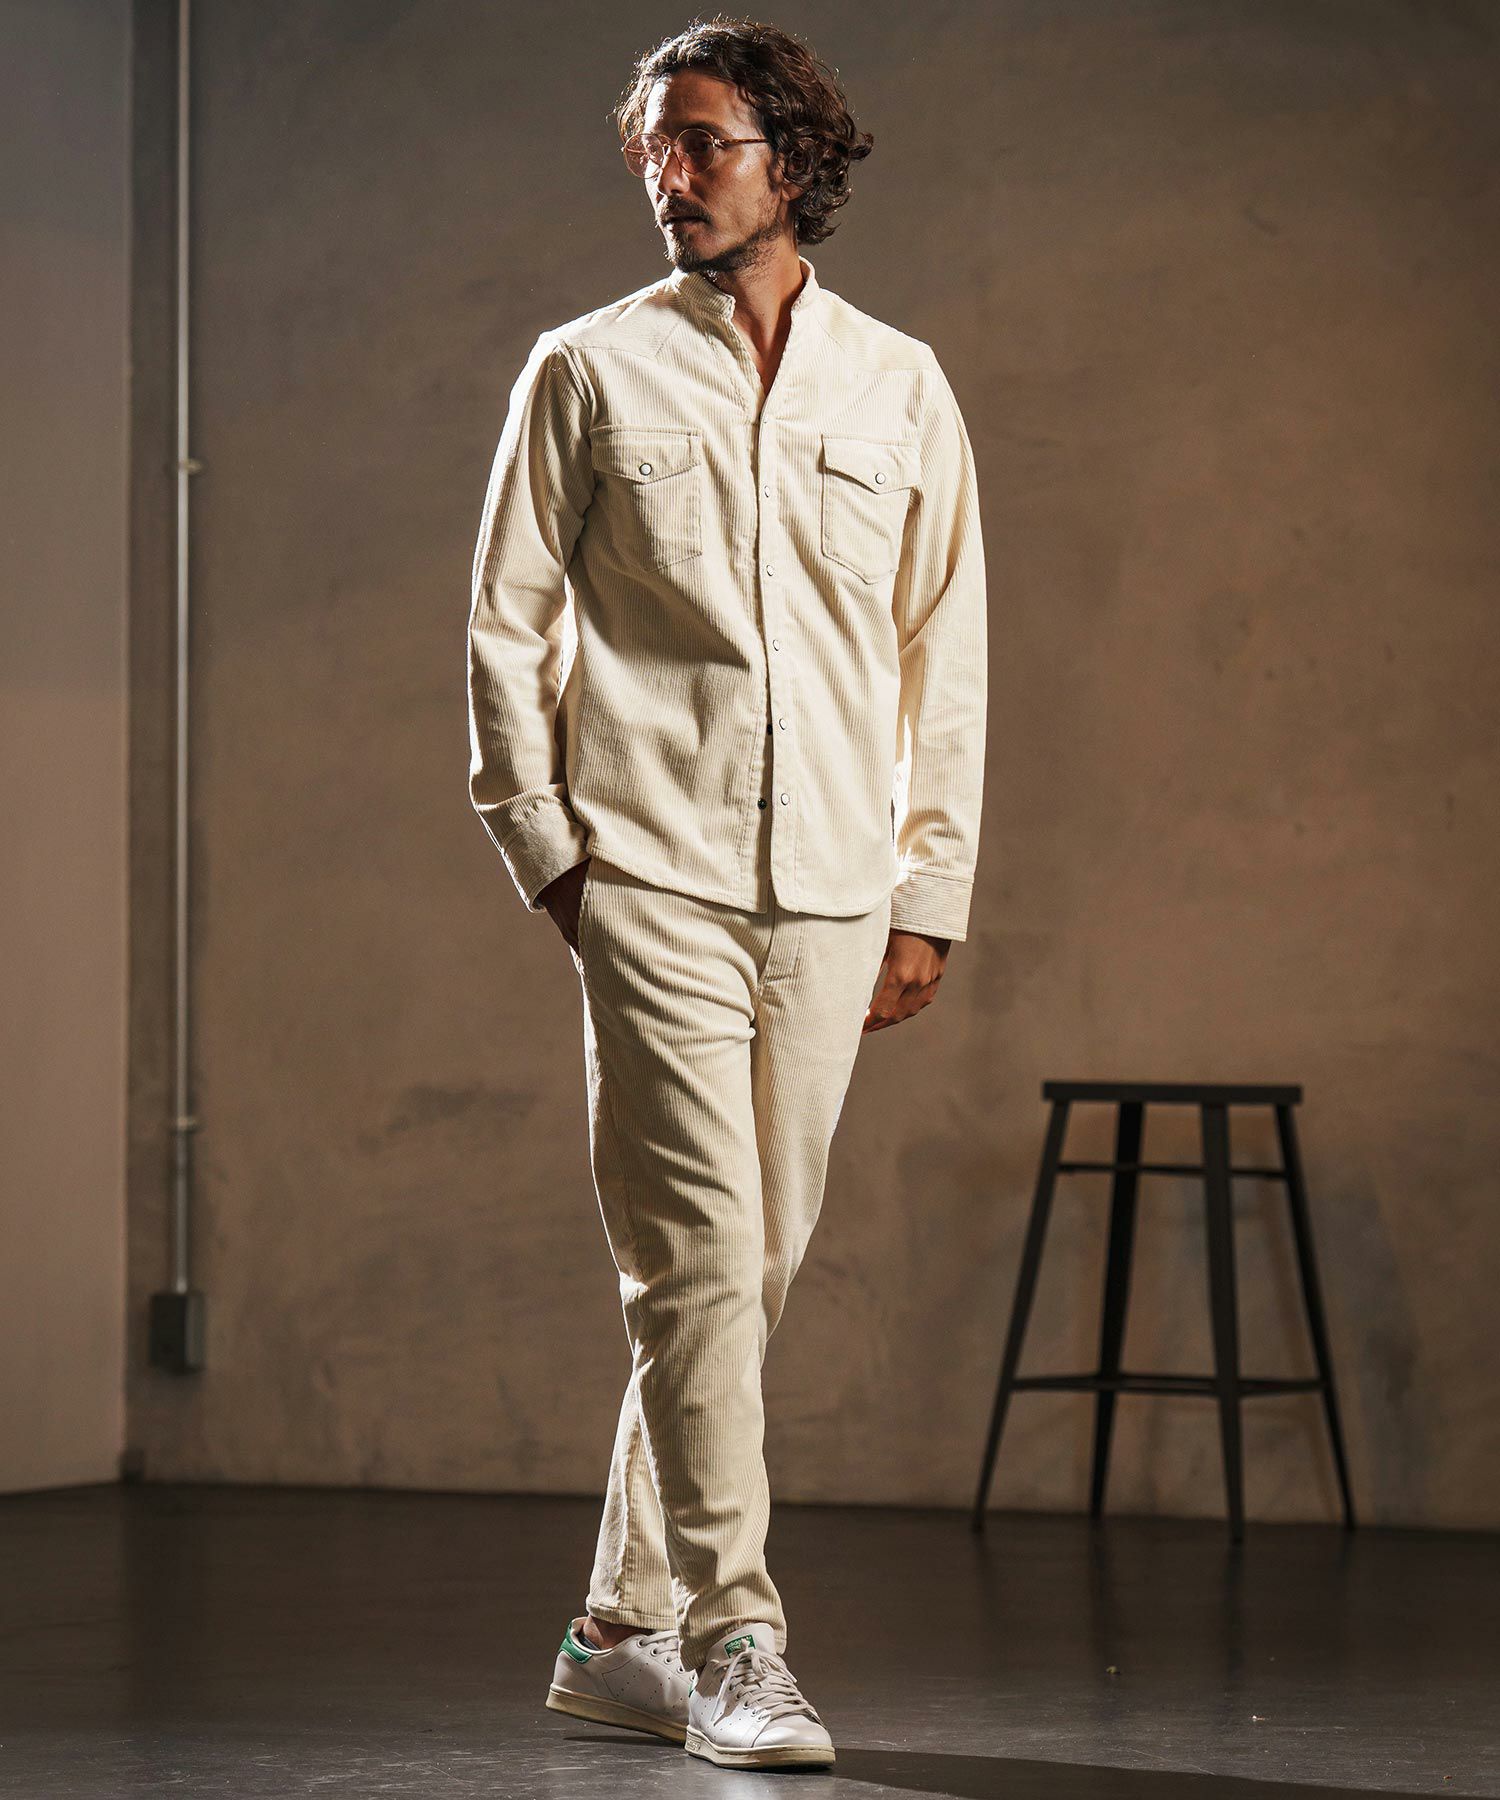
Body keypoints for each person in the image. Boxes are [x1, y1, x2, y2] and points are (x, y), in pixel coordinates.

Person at [466, 17, 986, 1772]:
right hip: (653, 877)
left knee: (748, 1269)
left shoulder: (898, 386)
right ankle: (737, 1644)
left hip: (832, 888)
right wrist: (553, 852)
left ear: (791, 159)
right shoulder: (587, 370)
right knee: (692, 1259)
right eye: (653, 147)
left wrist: (927, 886)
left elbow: (944, 649)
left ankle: (615, 1631)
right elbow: (505, 626)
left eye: (702, 143)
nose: (668, 176)